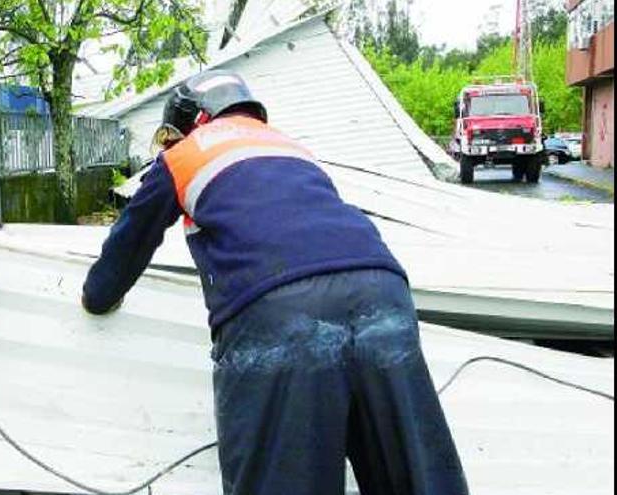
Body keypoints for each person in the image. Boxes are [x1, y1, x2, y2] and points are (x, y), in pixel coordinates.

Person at [82, 69, 468, 495]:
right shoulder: (289, 148)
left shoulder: (183, 155)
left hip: (279, 308)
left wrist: (96, 297)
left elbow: (128, 245)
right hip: (383, 291)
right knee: (417, 474)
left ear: (194, 120)